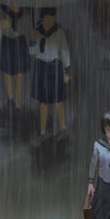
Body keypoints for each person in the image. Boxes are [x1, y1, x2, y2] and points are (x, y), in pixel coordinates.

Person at [30, 8, 71, 146]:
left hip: (55, 68)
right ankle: (42, 132)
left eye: (53, 18)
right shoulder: (37, 32)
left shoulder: (59, 32)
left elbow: (64, 51)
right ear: (43, 18)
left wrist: (67, 71)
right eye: (48, 18)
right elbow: (32, 51)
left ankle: (62, 128)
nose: (51, 21)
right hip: (41, 68)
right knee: (43, 102)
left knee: (58, 101)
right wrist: (32, 40)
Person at [0, 4, 32, 111]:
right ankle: (10, 100)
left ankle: (18, 102)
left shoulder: (25, 11)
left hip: (20, 42)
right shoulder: (2, 9)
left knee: (19, 74)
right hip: (7, 42)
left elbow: (28, 29)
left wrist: (9, 23)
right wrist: (1, 25)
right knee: (8, 73)